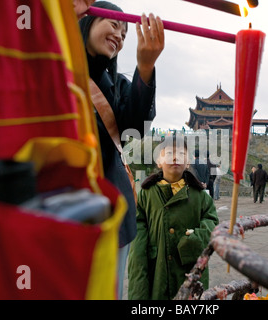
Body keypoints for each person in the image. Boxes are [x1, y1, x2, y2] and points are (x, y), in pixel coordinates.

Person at [79, 1, 165, 299]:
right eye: (114, 24)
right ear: (86, 20)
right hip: (61, 198)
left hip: (108, 204)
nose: (120, 35)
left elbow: (135, 128)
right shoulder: (54, 65)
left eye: (126, 34)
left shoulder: (116, 85)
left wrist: (145, 66)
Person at [127, 137, 219, 300]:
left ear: (188, 161)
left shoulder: (200, 196)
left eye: (181, 153)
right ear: (158, 161)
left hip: (190, 271)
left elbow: (212, 224)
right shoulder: (146, 195)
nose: (175, 157)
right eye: (169, 153)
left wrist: (193, 240)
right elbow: (137, 249)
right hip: (157, 273)